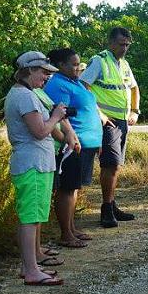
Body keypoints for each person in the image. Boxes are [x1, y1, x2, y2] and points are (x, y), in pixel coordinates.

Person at [5, 52, 73, 286]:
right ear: (29, 71)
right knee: (29, 217)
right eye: (43, 72)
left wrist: (63, 132)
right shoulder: (24, 96)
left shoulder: (28, 94)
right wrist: (55, 116)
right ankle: (32, 270)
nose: (46, 77)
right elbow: (40, 131)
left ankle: (29, 266)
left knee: (33, 217)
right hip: (31, 163)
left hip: (38, 163)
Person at [45, 48, 106, 248]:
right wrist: (70, 137)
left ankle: (72, 228)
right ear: (60, 65)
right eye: (72, 64)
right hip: (72, 145)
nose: (77, 67)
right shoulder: (57, 85)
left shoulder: (75, 82)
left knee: (75, 188)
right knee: (67, 188)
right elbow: (60, 114)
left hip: (86, 144)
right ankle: (65, 234)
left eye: (78, 63)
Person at [81, 26, 139, 228]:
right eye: (122, 44)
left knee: (115, 165)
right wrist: (99, 113)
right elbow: (83, 86)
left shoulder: (123, 64)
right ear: (111, 43)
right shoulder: (99, 61)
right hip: (108, 122)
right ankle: (106, 208)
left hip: (122, 121)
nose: (125, 48)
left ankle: (111, 204)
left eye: (128, 45)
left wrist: (135, 111)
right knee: (110, 164)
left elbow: (134, 87)